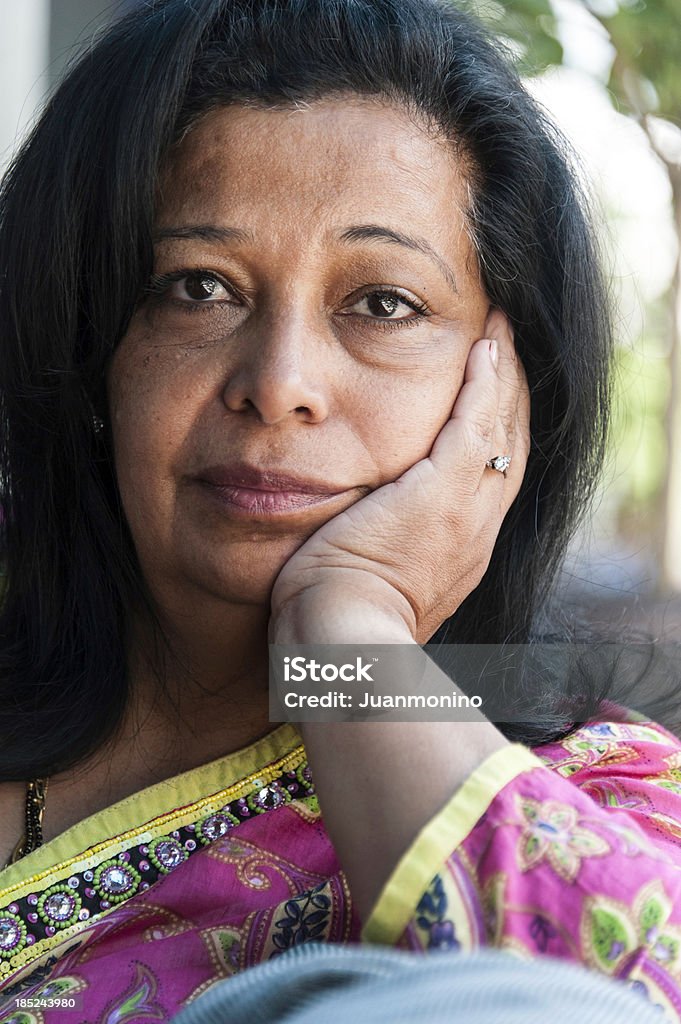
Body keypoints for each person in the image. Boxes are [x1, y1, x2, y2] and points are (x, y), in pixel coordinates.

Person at [0, 0, 679, 1020]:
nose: (279, 384)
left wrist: (349, 627)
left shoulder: (609, 798)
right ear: (91, 343)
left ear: (505, 386)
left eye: (382, 303)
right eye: (198, 288)